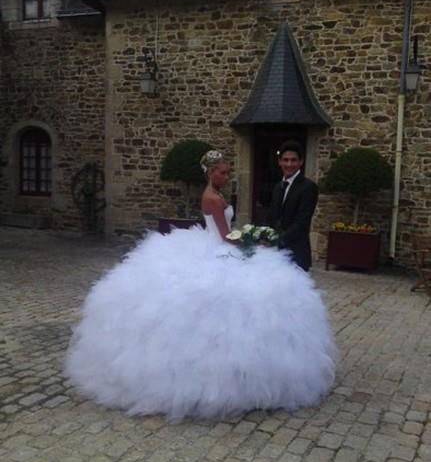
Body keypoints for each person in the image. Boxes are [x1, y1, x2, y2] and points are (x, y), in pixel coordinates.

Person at [64, 150, 335, 421]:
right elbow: (227, 236)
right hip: (218, 247)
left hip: (215, 245)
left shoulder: (216, 195)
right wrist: (252, 239)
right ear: (210, 172)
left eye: (229, 172)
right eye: (223, 172)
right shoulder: (212, 198)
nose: (227, 177)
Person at [267, 141, 319, 272]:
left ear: (300, 162)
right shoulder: (277, 187)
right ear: (279, 162)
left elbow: (302, 222)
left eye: (293, 160)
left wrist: (278, 241)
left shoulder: (308, 187)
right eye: (285, 160)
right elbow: (272, 217)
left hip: (297, 253)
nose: (289, 164)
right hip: (275, 255)